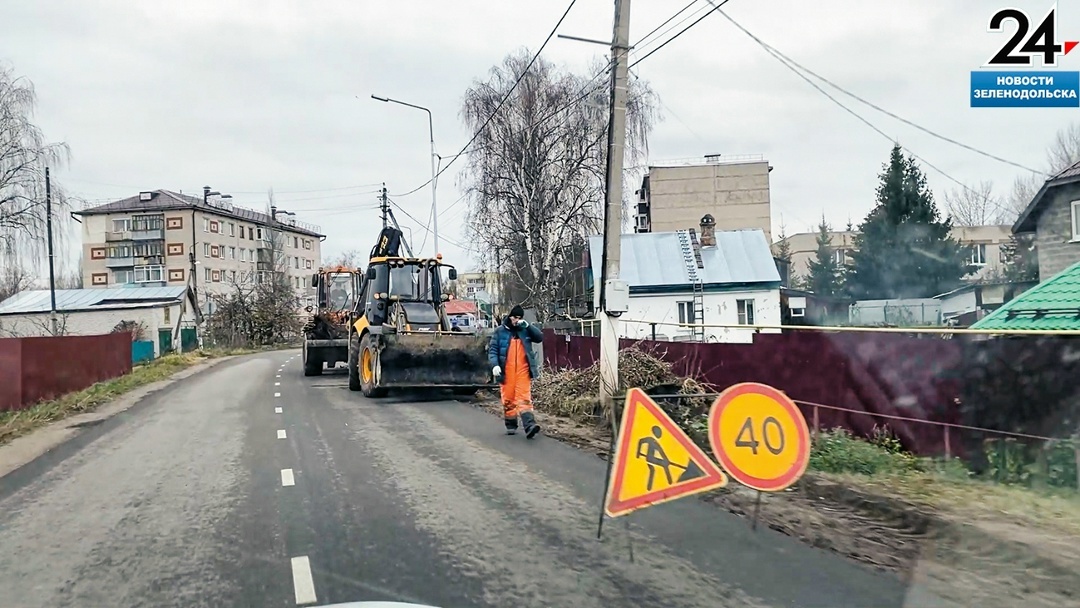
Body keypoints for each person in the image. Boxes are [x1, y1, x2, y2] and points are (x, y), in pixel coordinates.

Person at [488, 305, 544, 438]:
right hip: (506, 371)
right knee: (508, 399)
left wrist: (528, 326)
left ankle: (529, 425)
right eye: (515, 317)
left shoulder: (524, 330)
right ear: (510, 316)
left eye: (519, 318)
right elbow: (493, 350)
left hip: (523, 370)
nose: (516, 320)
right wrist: (495, 365)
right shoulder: (500, 331)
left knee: (524, 397)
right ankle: (511, 424)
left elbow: (539, 337)